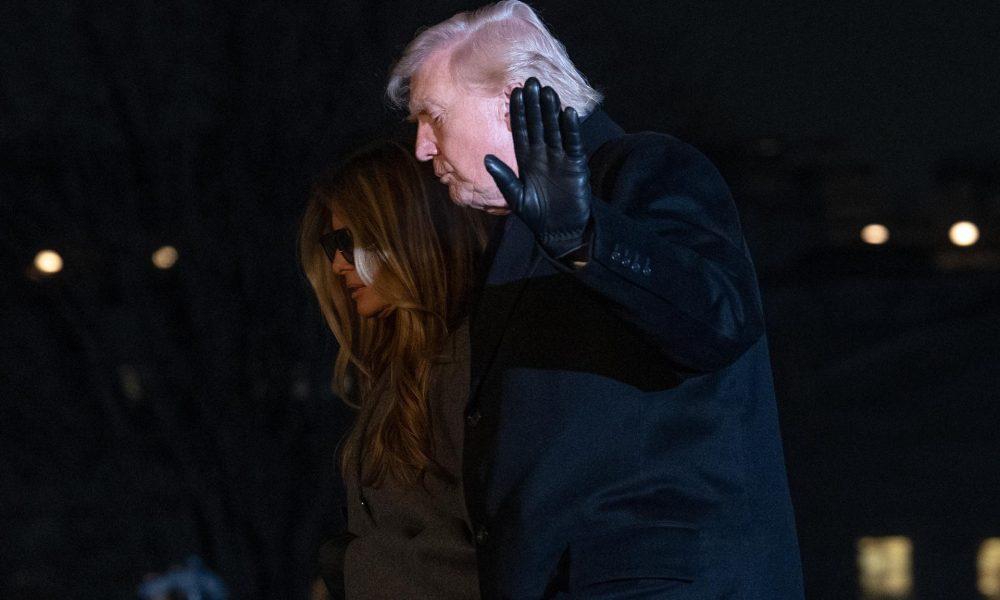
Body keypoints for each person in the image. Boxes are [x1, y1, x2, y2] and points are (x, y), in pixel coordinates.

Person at [386, 2, 804, 598]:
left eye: (432, 116)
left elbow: (720, 318)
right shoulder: (513, 233)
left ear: (512, 101)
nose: (424, 147)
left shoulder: (647, 167)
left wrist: (588, 236)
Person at [299, 140, 488, 599]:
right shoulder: (397, 375)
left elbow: (492, 547)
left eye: (347, 242)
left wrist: (358, 567)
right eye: (330, 246)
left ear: (400, 233)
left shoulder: (465, 365)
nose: (339, 264)